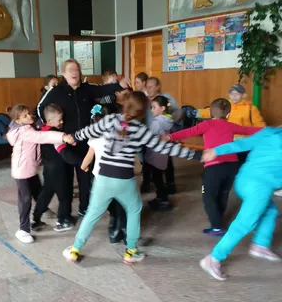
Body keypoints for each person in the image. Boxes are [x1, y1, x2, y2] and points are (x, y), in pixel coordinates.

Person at [62, 91, 201, 264]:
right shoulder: (141, 130)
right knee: (134, 210)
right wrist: (197, 155)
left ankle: (75, 249)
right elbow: (165, 148)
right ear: (143, 111)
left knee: (92, 214)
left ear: (124, 104)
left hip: (103, 177)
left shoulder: (110, 120)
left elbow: (87, 132)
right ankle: (131, 251)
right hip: (124, 180)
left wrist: (72, 137)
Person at [37, 59, 130, 218]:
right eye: (70, 70)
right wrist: (53, 128)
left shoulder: (87, 88)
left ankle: (84, 208)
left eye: (77, 69)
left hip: (86, 142)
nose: (74, 72)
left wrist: (118, 85)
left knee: (85, 177)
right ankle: (65, 215)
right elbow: (40, 108)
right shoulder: (56, 91)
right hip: (66, 143)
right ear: (64, 73)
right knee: (65, 181)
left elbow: (103, 89)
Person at [163, 98, 263, 235]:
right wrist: (272, 130)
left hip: (214, 166)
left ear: (210, 113)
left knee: (209, 196)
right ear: (228, 114)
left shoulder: (206, 125)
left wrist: (169, 137)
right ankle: (219, 220)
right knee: (223, 193)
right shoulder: (231, 125)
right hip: (232, 166)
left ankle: (216, 226)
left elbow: (188, 132)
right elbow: (249, 130)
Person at [200, 127, 282, 281]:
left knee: (270, 212)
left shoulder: (270, 132)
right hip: (260, 187)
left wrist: (216, 151)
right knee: (245, 223)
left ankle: (260, 244)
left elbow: (242, 143)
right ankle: (214, 258)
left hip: (243, 180)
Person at [6, 104, 75, 244]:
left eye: (28, 113)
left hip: (30, 169)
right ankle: (23, 229)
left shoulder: (27, 127)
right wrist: (63, 137)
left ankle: (40, 214)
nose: (29, 116)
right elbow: (41, 137)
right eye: (25, 116)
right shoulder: (24, 131)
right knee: (25, 200)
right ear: (18, 121)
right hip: (22, 171)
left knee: (39, 192)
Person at [81, 104, 126, 244]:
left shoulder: (95, 136)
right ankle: (124, 230)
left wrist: (83, 166)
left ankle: (114, 230)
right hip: (119, 175)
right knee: (123, 203)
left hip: (101, 177)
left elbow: (89, 156)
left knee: (110, 203)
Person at [33, 104, 83, 232]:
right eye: (59, 120)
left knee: (46, 193)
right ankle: (63, 221)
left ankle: (35, 219)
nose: (62, 122)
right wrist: (80, 162)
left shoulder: (42, 131)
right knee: (65, 195)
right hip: (60, 170)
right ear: (50, 121)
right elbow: (64, 152)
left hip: (48, 169)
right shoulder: (56, 134)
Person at [190, 84, 266, 164]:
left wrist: (263, 136)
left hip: (243, 144)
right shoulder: (225, 106)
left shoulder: (250, 109)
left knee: (242, 163)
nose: (234, 96)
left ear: (243, 95)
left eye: (237, 94)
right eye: (231, 94)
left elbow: (259, 125)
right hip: (227, 141)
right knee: (227, 163)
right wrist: (197, 112)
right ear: (228, 95)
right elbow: (211, 111)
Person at [146, 77, 182, 195]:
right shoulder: (146, 99)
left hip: (159, 139)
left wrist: (168, 122)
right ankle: (153, 185)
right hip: (156, 140)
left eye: (151, 86)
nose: (148, 89)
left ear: (158, 87)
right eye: (147, 86)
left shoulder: (166, 98)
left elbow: (177, 112)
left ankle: (165, 190)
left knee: (163, 165)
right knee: (154, 164)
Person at [145, 96, 175, 211]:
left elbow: (148, 134)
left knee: (157, 178)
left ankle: (163, 200)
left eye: (154, 107)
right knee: (159, 177)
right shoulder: (167, 120)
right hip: (163, 153)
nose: (151, 110)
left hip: (155, 154)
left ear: (162, 108)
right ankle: (161, 197)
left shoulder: (157, 122)